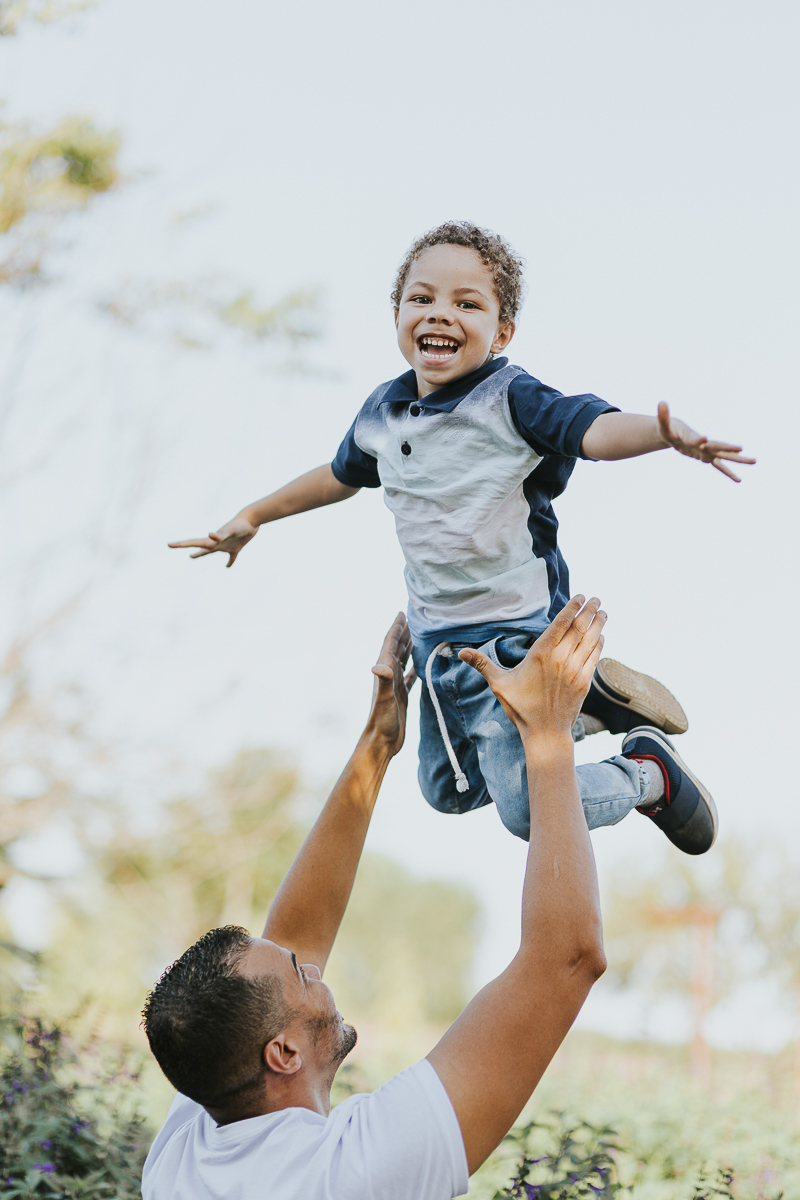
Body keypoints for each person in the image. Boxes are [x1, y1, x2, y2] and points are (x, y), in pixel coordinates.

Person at [170, 222, 754, 854]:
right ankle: (587, 709)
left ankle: (648, 776)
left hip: (513, 637)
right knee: (447, 789)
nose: (439, 314)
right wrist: (253, 516)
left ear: (501, 333)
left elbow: (595, 430)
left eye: (466, 304)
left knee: (528, 811)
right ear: (396, 314)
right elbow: (338, 477)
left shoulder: (511, 399)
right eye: (421, 299)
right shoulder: (382, 414)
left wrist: (664, 436)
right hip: (437, 642)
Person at [141, 599, 611, 1200]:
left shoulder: (189, 1153)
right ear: (282, 1053)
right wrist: (547, 732)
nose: (309, 963)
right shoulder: (351, 1177)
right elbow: (566, 959)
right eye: (297, 974)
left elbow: (294, 936)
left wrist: (376, 746)